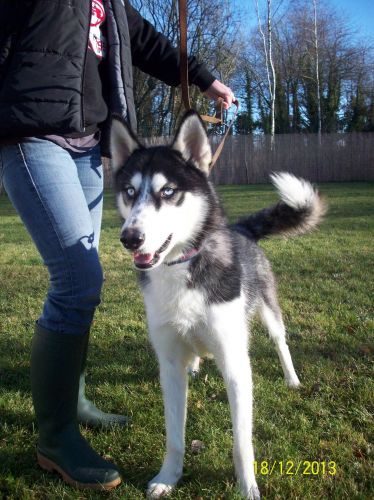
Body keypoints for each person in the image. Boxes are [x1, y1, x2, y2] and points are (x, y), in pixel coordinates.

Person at [0, 0, 236, 491]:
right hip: (32, 135)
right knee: (78, 279)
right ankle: (56, 437)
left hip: (90, 146)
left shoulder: (112, 4)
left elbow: (151, 45)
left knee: (81, 282)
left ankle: (74, 400)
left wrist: (205, 78)